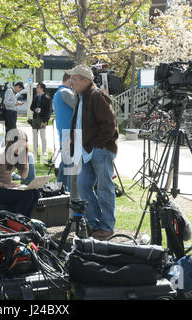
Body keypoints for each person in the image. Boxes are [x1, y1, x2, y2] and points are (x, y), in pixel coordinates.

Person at [67, 64, 119, 241]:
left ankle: (107, 226)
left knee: (105, 188)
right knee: (83, 186)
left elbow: (110, 125)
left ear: (85, 80)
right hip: (87, 150)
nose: (71, 82)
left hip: (99, 149)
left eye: (74, 79)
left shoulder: (97, 96)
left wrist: (97, 145)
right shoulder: (81, 97)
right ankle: (96, 224)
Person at [0, 129, 40, 217]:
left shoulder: (18, 155)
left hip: (8, 189)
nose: (20, 149)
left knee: (35, 192)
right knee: (27, 195)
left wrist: (25, 157)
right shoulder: (0, 154)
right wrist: (5, 185)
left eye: (23, 146)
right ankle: (18, 221)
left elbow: (24, 176)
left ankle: (26, 219)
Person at [53, 73, 77, 191]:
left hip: (65, 133)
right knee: (70, 168)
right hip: (70, 134)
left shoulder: (58, 93)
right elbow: (79, 106)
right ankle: (68, 195)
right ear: (70, 80)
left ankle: (59, 191)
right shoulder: (66, 93)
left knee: (64, 166)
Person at [30, 82, 52, 159]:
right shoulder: (36, 97)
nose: (36, 89)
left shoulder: (47, 98)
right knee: (34, 136)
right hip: (35, 118)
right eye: (36, 87)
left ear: (42, 88)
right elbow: (31, 107)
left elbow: (49, 111)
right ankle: (35, 151)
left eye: (38, 87)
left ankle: (44, 151)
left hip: (42, 119)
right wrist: (35, 109)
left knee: (43, 136)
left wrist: (45, 121)